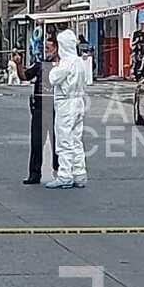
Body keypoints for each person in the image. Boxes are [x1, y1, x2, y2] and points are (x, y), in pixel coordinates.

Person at [47, 29, 89, 189]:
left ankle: (65, 175)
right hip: (79, 101)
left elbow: (53, 78)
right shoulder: (79, 62)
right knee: (76, 140)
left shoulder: (66, 63)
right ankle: (80, 173)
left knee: (64, 140)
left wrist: (55, 66)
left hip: (66, 103)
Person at [23, 35, 60, 185]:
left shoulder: (62, 66)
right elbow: (24, 76)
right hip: (39, 108)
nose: (46, 51)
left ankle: (60, 172)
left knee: (57, 143)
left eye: (48, 48)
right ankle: (34, 174)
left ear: (56, 48)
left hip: (55, 109)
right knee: (36, 142)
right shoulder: (40, 65)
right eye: (45, 48)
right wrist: (18, 64)